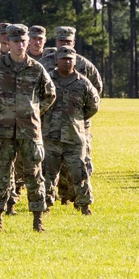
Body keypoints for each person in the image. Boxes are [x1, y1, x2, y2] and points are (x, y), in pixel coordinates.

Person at [0, 25, 56, 232]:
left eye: (24, 41)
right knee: (1, 174)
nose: (20, 45)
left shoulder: (36, 68)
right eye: (16, 41)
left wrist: (34, 111)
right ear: (8, 43)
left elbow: (50, 94)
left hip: (29, 130)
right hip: (4, 129)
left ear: (28, 42)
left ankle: (37, 220)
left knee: (33, 174)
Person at [42, 46, 99, 215]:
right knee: (47, 174)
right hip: (50, 137)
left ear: (74, 61)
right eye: (63, 58)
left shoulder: (83, 82)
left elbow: (93, 106)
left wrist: (77, 119)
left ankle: (84, 205)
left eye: (70, 59)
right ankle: (45, 205)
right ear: (56, 60)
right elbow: (37, 102)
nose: (67, 62)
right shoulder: (47, 80)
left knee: (79, 172)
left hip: (74, 137)